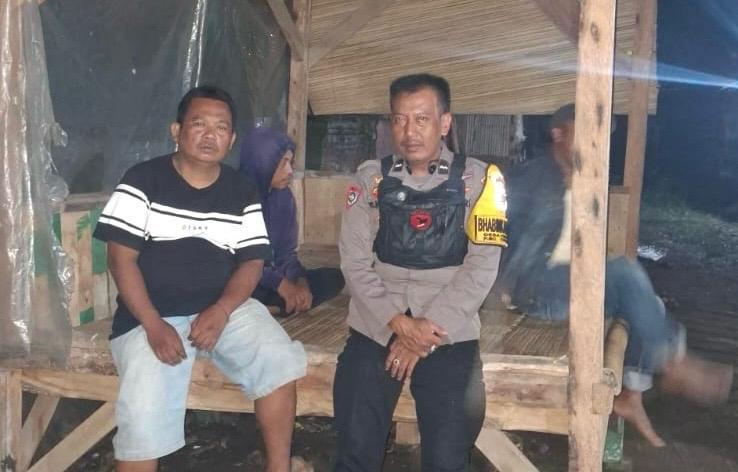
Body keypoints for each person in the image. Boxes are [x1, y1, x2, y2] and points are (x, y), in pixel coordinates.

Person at [492, 103, 733, 447]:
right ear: (558, 134)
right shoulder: (530, 178)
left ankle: (631, 395)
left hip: (569, 285)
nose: (595, 142)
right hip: (535, 288)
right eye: (585, 132)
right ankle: (674, 364)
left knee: (647, 304)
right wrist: (503, 285)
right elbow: (498, 230)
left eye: (599, 135)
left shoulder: (585, 178)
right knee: (623, 272)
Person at [93, 85, 306, 472]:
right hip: (150, 314)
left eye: (221, 127)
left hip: (224, 307)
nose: (210, 135)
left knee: (278, 360)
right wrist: (153, 324)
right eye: (199, 124)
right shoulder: (142, 181)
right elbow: (120, 261)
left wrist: (222, 310)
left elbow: (251, 263)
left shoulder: (240, 190)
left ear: (232, 139)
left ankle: (280, 468)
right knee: (142, 410)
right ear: (176, 130)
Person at [334, 73, 504, 471]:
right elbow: (354, 262)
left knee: (447, 454)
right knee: (355, 444)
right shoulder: (370, 179)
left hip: (449, 328)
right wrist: (398, 323)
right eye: (400, 119)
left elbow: (482, 267)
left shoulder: (481, 181)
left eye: (422, 119)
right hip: (377, 323)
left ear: (444, 123)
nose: (409, 131)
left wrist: (423, 333)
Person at [239, 127, 344, 317]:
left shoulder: (283, 197)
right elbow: (241, 258)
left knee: (334, 278)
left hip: (274, 280)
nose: (289, 171)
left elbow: (287, 253)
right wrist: (281, 285)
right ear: (263, 162)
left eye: (291, 162)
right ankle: (274, 307)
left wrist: (300, 283)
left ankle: (275, 307)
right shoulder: (236, 196)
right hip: (245, 278)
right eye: (283, 163)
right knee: (233, 284)